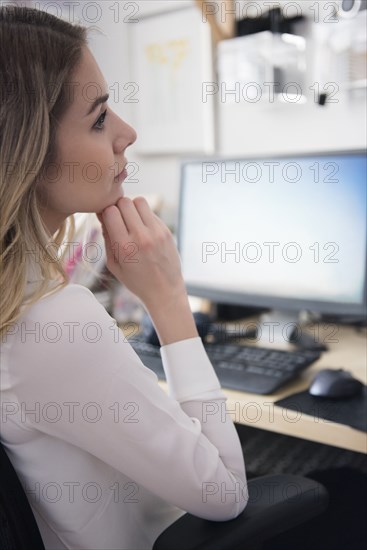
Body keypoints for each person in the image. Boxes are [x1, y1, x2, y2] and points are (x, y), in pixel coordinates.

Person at [0, 6, 248, 549]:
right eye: (98, 118)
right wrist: (169, 297)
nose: (127, 133)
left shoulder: (20, 303)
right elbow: (227, 494)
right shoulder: (52, 320)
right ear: (25, 153)